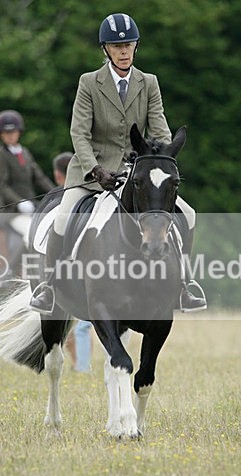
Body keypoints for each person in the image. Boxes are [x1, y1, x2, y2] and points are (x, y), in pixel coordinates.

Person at [29, 13, 207, 315]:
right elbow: (79, 134)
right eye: (117, 46)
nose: (124, 52)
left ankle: (184, 284)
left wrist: (160, 158)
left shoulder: (149, 83)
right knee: (63, 217)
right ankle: (48, 286)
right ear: (106, 49)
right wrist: (96, 169)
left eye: (128, 45)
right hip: (92, 173)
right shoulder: (89, 83)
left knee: (188, 214)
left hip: (137, 174)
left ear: (136, 46)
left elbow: (160, 128)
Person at [0, 110, 56, 280]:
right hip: (11, 210)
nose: (10, 135)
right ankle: (8, 273)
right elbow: (2, 186)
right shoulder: (0, 155)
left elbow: (39, 177)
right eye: (6, 132)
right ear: (0, 135)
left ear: (19, 132)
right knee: (31, 232)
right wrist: (19, 202)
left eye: (13, 132)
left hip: (30, 206)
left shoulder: (24, 152)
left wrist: (57, 192)